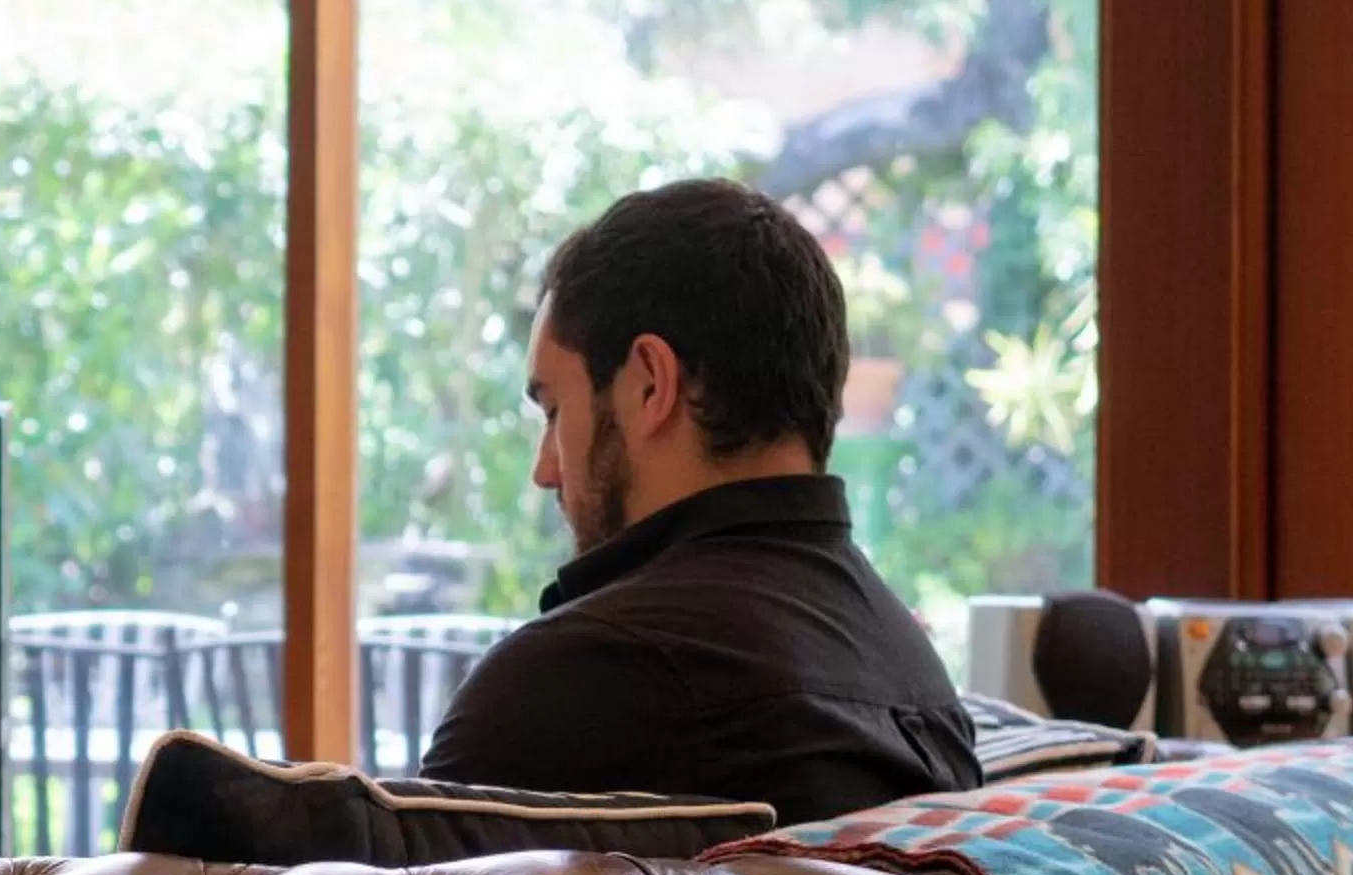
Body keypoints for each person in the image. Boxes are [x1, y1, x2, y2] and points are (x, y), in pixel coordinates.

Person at [417, 177, 977, 826]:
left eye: (553, 410)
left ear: (651, 384)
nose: (546, 470)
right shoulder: (922, 687)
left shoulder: (571, 677)